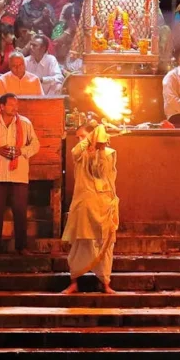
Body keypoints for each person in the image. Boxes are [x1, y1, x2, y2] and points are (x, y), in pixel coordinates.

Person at [0, 93, 40, 254]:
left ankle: (22, 247)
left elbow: (36, 145)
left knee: (20, 212)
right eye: (11, 104)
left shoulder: (25, 123)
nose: (15, 107)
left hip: (19, 174)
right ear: (2, 106)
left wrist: (22, 151)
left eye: (16, 104)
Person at [61, 123, 119, 295]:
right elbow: (75, 152)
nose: (79, 140)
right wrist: (89, 141)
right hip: (84, 204)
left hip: (104, 203)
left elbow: (102, 173)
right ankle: (74, 282)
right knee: (80, 244)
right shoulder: (80, 154)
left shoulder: (108, 154)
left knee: (105, 246)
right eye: (78, 137)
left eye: (82, 136)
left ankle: (105, 283)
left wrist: (99, 151)